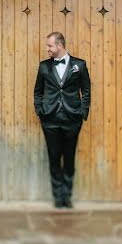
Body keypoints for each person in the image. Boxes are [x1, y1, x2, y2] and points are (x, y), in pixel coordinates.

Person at [33, 32, 91, 209]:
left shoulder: (79, 65)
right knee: (54, 157)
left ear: (60, 45)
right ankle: (58, 198)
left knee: (69, 157)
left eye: (50, 46)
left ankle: (67, 196)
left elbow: (86, 91)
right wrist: (40, 111)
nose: (47, 49)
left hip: (72, 119)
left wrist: (82, 112)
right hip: (50, 120)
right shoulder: (44, 66)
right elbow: (38, 92)